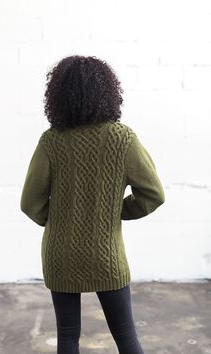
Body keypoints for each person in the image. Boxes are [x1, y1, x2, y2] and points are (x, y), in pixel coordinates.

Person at [20, 55, 165, 354]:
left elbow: (30, 203)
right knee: (126, 337)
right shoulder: (122, 139)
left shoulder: (51, 141)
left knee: (68, 337)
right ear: (108, 92)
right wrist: (115, 211)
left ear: (58, 95)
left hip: (60, 254)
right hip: (106, 255)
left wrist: (60, 218)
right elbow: (153, 194)